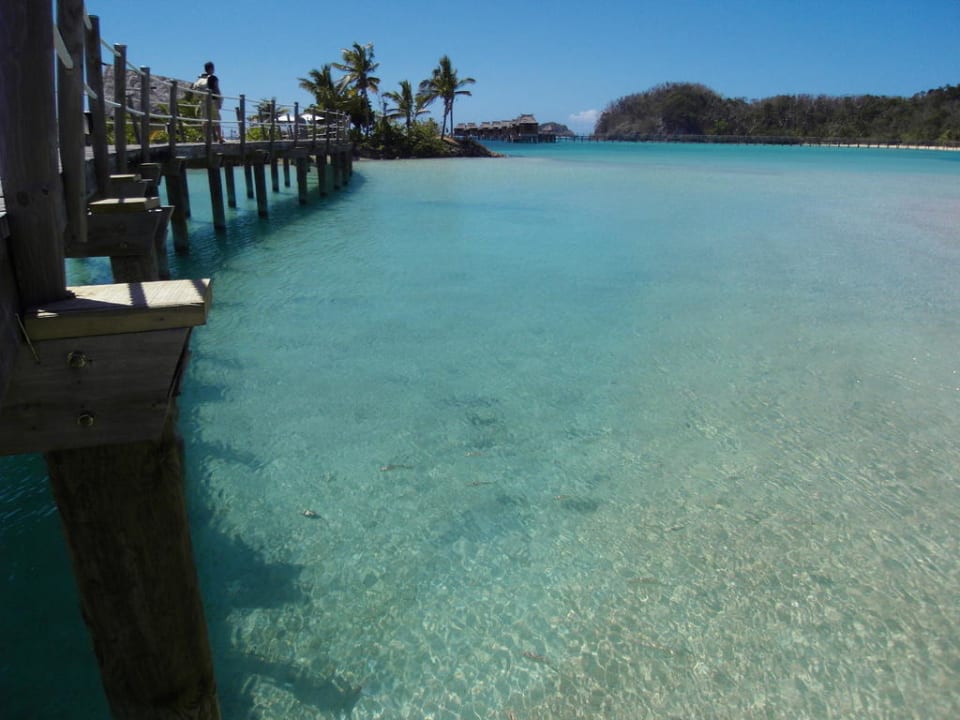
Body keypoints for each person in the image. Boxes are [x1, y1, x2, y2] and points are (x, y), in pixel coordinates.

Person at [193, 61, 224, 142]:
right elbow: (217, 89)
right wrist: (220, 101)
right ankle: (219, 138)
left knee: (205, 120)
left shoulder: (199, 80)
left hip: (203, 102)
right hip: (212, 101)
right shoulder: (213, 78)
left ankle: (206, 138)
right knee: (216, 120)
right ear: (212, 69)